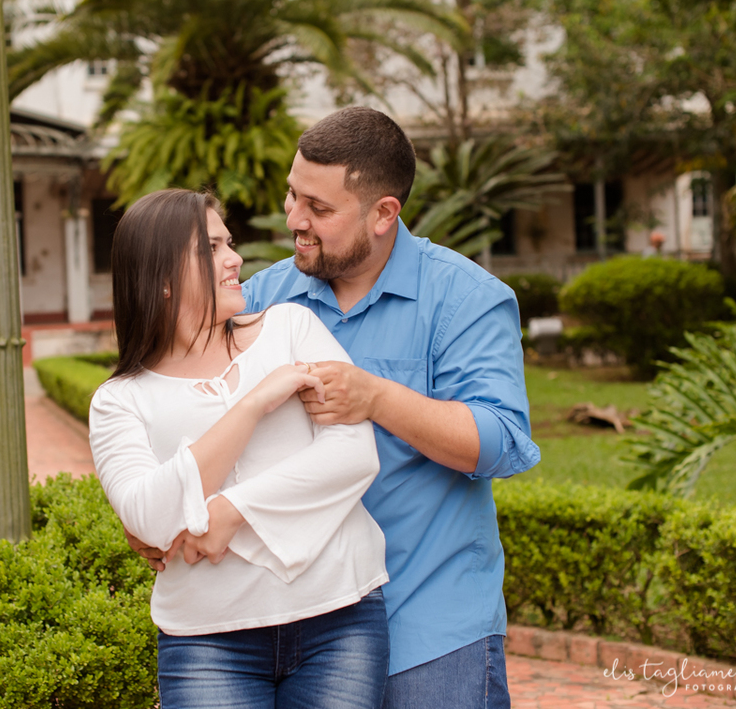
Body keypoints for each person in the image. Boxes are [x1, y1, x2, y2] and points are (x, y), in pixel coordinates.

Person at [130, 107, 540, 709]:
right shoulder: (262, 298)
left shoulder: (467, 299)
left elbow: (500, 442)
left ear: (383, 213)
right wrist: (157, 510)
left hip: (430, 616)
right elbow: (176, 398)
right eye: (293, 196)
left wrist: (374, 397)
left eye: (319, 209)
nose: (295, 219)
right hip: (303, 618)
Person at [88, 189, 391, 709]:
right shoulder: (119, 401)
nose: (235, 259)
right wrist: (251, 407)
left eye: (228, 242)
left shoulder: (291, 329)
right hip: (207, 640)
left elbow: (353, 455)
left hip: (339, 618)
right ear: (159, 278)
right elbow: (146, 517)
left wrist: (231, 510)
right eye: (211, 248)